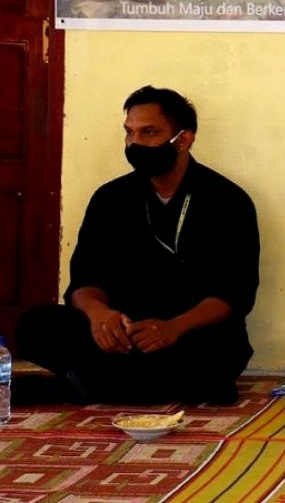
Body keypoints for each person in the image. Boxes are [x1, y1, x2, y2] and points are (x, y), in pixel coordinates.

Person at [15, 86, 260, 405]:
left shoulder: (228, 201)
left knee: (217, 356)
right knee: (36, 325)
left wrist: (173, 328)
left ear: (183, 139)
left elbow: (234, 294)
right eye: (129, 133)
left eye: (149, 132)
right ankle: (124, 384)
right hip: (121, 336)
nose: (135, 144)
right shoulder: (110, 198)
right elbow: (85, 280)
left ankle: (85, 386)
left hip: (188, 334)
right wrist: (99, 315)